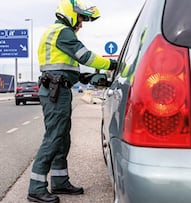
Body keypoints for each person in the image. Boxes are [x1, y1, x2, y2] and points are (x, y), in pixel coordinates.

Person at [27, 0, 117, 202]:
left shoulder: (57, 32)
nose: (82, 24)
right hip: (55, 90)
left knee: (62, 137)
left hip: (57, 87)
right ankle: (36, 187)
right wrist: (111, 63)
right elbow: (85, 56)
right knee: (54, 137)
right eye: (81, 19)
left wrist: (83, 77)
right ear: (71, 14)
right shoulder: (63, 32)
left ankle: (60, 181)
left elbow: (65, 66)